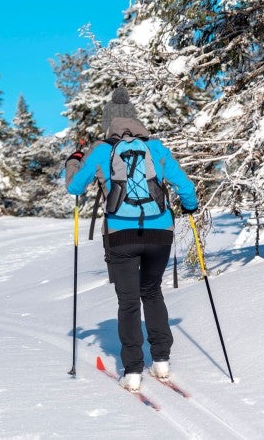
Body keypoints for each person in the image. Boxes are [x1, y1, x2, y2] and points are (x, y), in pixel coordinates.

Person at [65, 98, 198, 392]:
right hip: (159, 233)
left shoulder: (101, 151)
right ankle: (161, 360)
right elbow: (186, 187)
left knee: (128, 301)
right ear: (137, 122)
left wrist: (73, 161)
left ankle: (134, 370)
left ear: (108, 124)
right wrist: (190, 207)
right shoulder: (156, 148)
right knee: (152, 292)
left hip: (120, 236)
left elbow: (74, 187)